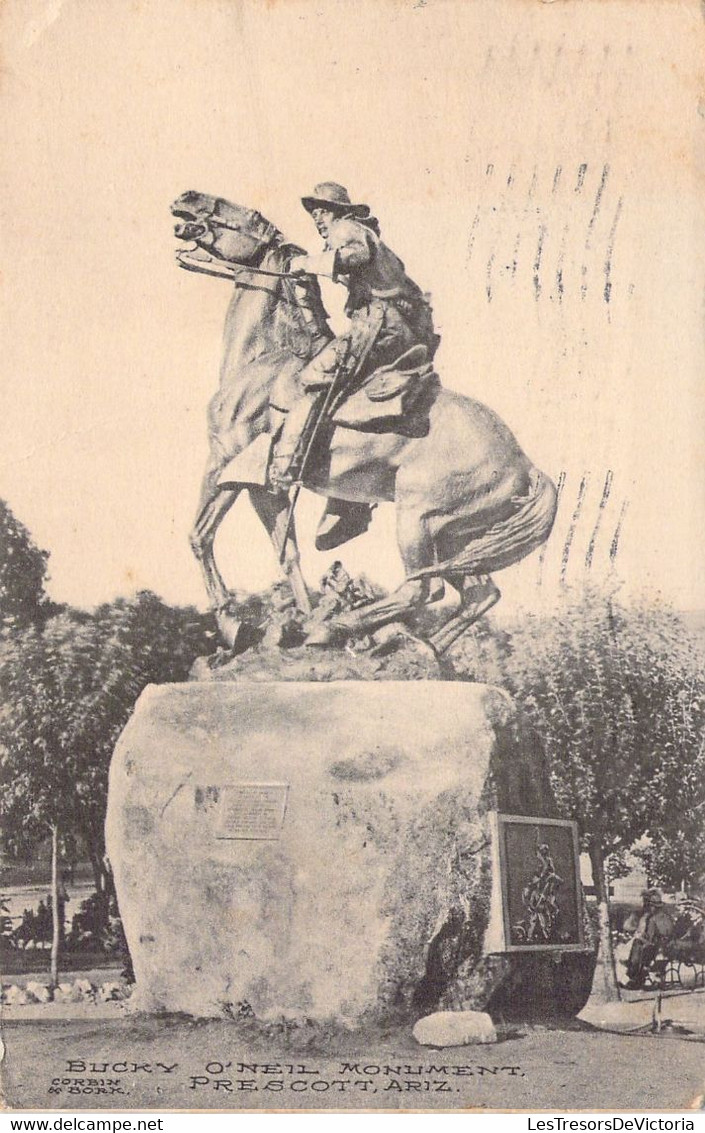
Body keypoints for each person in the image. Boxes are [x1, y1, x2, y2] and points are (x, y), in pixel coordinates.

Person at [268, 182, 440, 551]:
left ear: (339, 211)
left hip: (380, 326)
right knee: (353, 400)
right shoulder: (354, 232)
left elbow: (355, 255)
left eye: (323, 211)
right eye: (314, 212)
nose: (318, 219)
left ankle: (285, 465)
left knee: (314, 376)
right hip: (399, 327)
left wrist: (305, 264)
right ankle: (350, 502)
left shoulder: (349, 230)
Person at [624, 888, 675, 989]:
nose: (649, 908)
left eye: (650, 906)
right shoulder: (656, 917)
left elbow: (658, 935)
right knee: (638, 947)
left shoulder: (657, 918)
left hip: (660, 946)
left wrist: (644, 940)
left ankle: (635, 978)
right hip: (658, 944)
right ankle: (635, 978)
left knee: (639, 948)